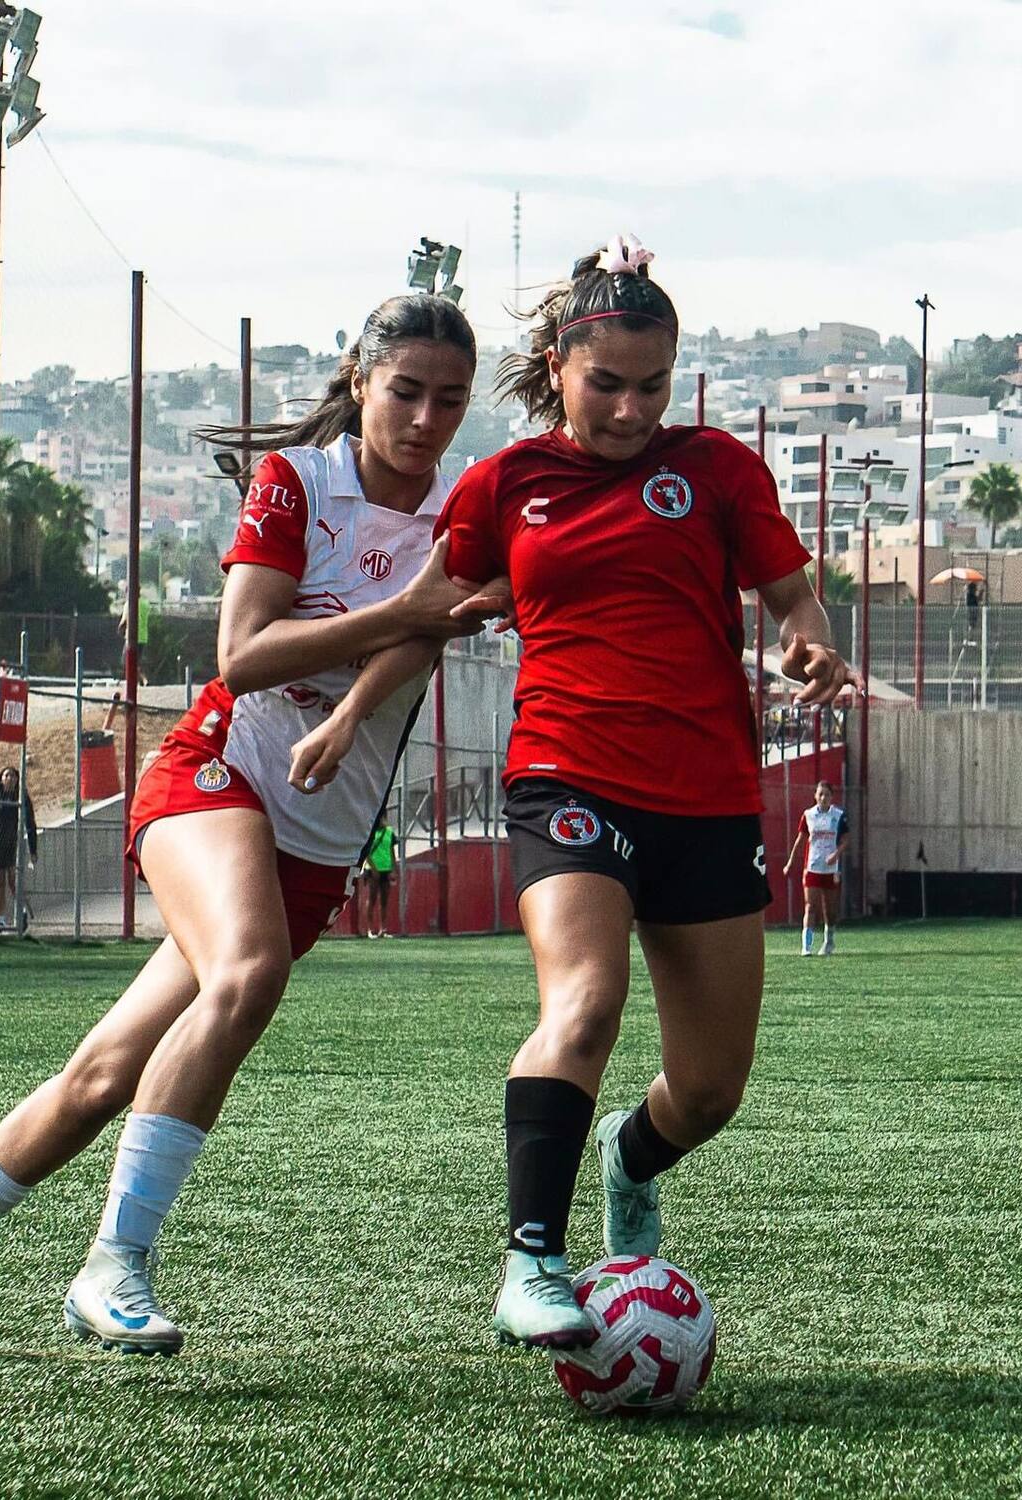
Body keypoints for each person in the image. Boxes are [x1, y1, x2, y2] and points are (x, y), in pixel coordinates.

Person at [0, 291, 509, 1362]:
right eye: (406, 391)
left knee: (102, 1075)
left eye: (450, 400)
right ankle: (114, 1264)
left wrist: (349, 712)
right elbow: (243, 652)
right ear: (360, 380)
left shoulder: (463, 515)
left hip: (318, 834)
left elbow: (420, 644)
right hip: (214, 768)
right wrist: (395, 622)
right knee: (247, 974)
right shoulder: (298, 482)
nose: (425, 418)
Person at [294, 232, 859, 1351]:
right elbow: (431, 615)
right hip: (565, 775)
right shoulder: (504, 486)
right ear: (557, 363)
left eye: (654, 386)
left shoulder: (718, 472)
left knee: (708, 1092)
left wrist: (810, 646)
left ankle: (628, 1158)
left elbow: (795, 600)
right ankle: (533, 1263)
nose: (631, 409)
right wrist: (356, 712)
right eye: (606, 384)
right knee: (585, 1003)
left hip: (704, 797)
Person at [783, 779, 849, 956]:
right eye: (820, 794)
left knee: (830, 910)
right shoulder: (809, 815)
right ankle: (807, 946)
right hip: (812, 867)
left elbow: (845, 840)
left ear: (831, 797)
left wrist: (836, 854)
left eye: (827, 794)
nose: (823, 797)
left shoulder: (838, 815)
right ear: (815, 796)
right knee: (810, 907)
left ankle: (829, 941)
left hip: (831, 869)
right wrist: (790, 862)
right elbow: (800, 840)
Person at [0, 766, 37, 930]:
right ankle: (0, 920)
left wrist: (33, 849)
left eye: (13, 776)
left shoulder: (20, 796)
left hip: (11, 843)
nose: (10, 779)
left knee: (13, 881)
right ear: (1, 779)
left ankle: (22, 913)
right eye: (6, 775)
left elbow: (30, 821)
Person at [362, 812, 397, 937]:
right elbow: (366, 853)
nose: (383, 820)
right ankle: (370, 930)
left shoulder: (389, 832)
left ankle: (384, 929)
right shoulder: (370, 832)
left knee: (384, 900)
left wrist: (394, 869)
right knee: (372, 898)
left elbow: (392, 851)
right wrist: (373, 868)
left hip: (386, 869)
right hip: (372, 870)